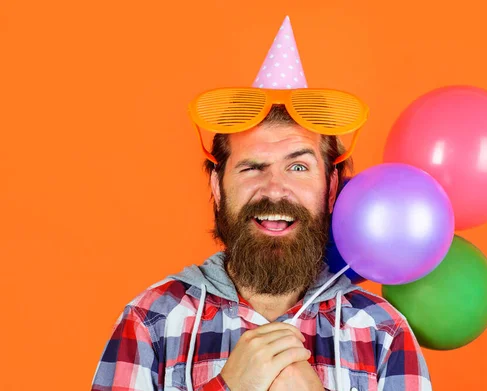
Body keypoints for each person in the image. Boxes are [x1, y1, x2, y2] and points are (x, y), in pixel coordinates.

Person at [91, 16, 431, 391]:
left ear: (331, 188)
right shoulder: (151, 320)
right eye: (252, 167)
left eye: (298, 167)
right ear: (218, 186)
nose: (274, 189)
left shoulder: (383, 333)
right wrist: (228, 386)